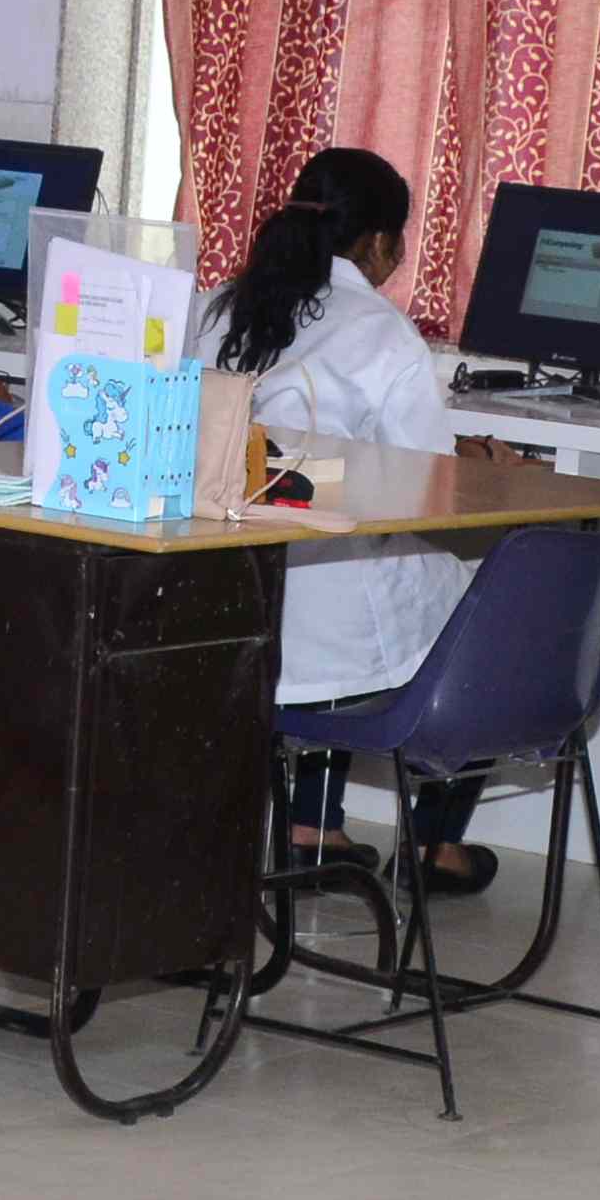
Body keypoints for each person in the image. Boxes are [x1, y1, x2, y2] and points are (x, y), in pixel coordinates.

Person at [219, 147, 496, 897]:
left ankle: (314, 826)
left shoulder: (223, 304)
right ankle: (434, 844)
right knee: (496, 610)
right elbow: (427, 486)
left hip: (224, 597)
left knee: (353, 580)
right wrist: (487, 462)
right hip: (327, 611)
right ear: (378, 243)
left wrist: (312, 475)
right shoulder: (381, 333)